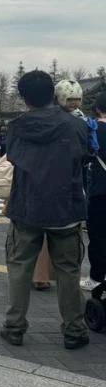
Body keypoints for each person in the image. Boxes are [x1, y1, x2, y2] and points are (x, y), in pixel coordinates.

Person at [0, 71, 89, 350]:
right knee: (68, 270)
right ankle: (74, 329)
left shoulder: (17, 127)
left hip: (27, 205)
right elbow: (83, 156)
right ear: (53, 93)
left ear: (24, 98)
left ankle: (14, 326)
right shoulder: (74, 125)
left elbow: (12, 157)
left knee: (19, 267)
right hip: (66, 206)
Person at [81, 92, 106, 292]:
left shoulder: (93, 129)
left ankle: (97, 277)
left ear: (97, 108)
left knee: (98, 237)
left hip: (99, 191)